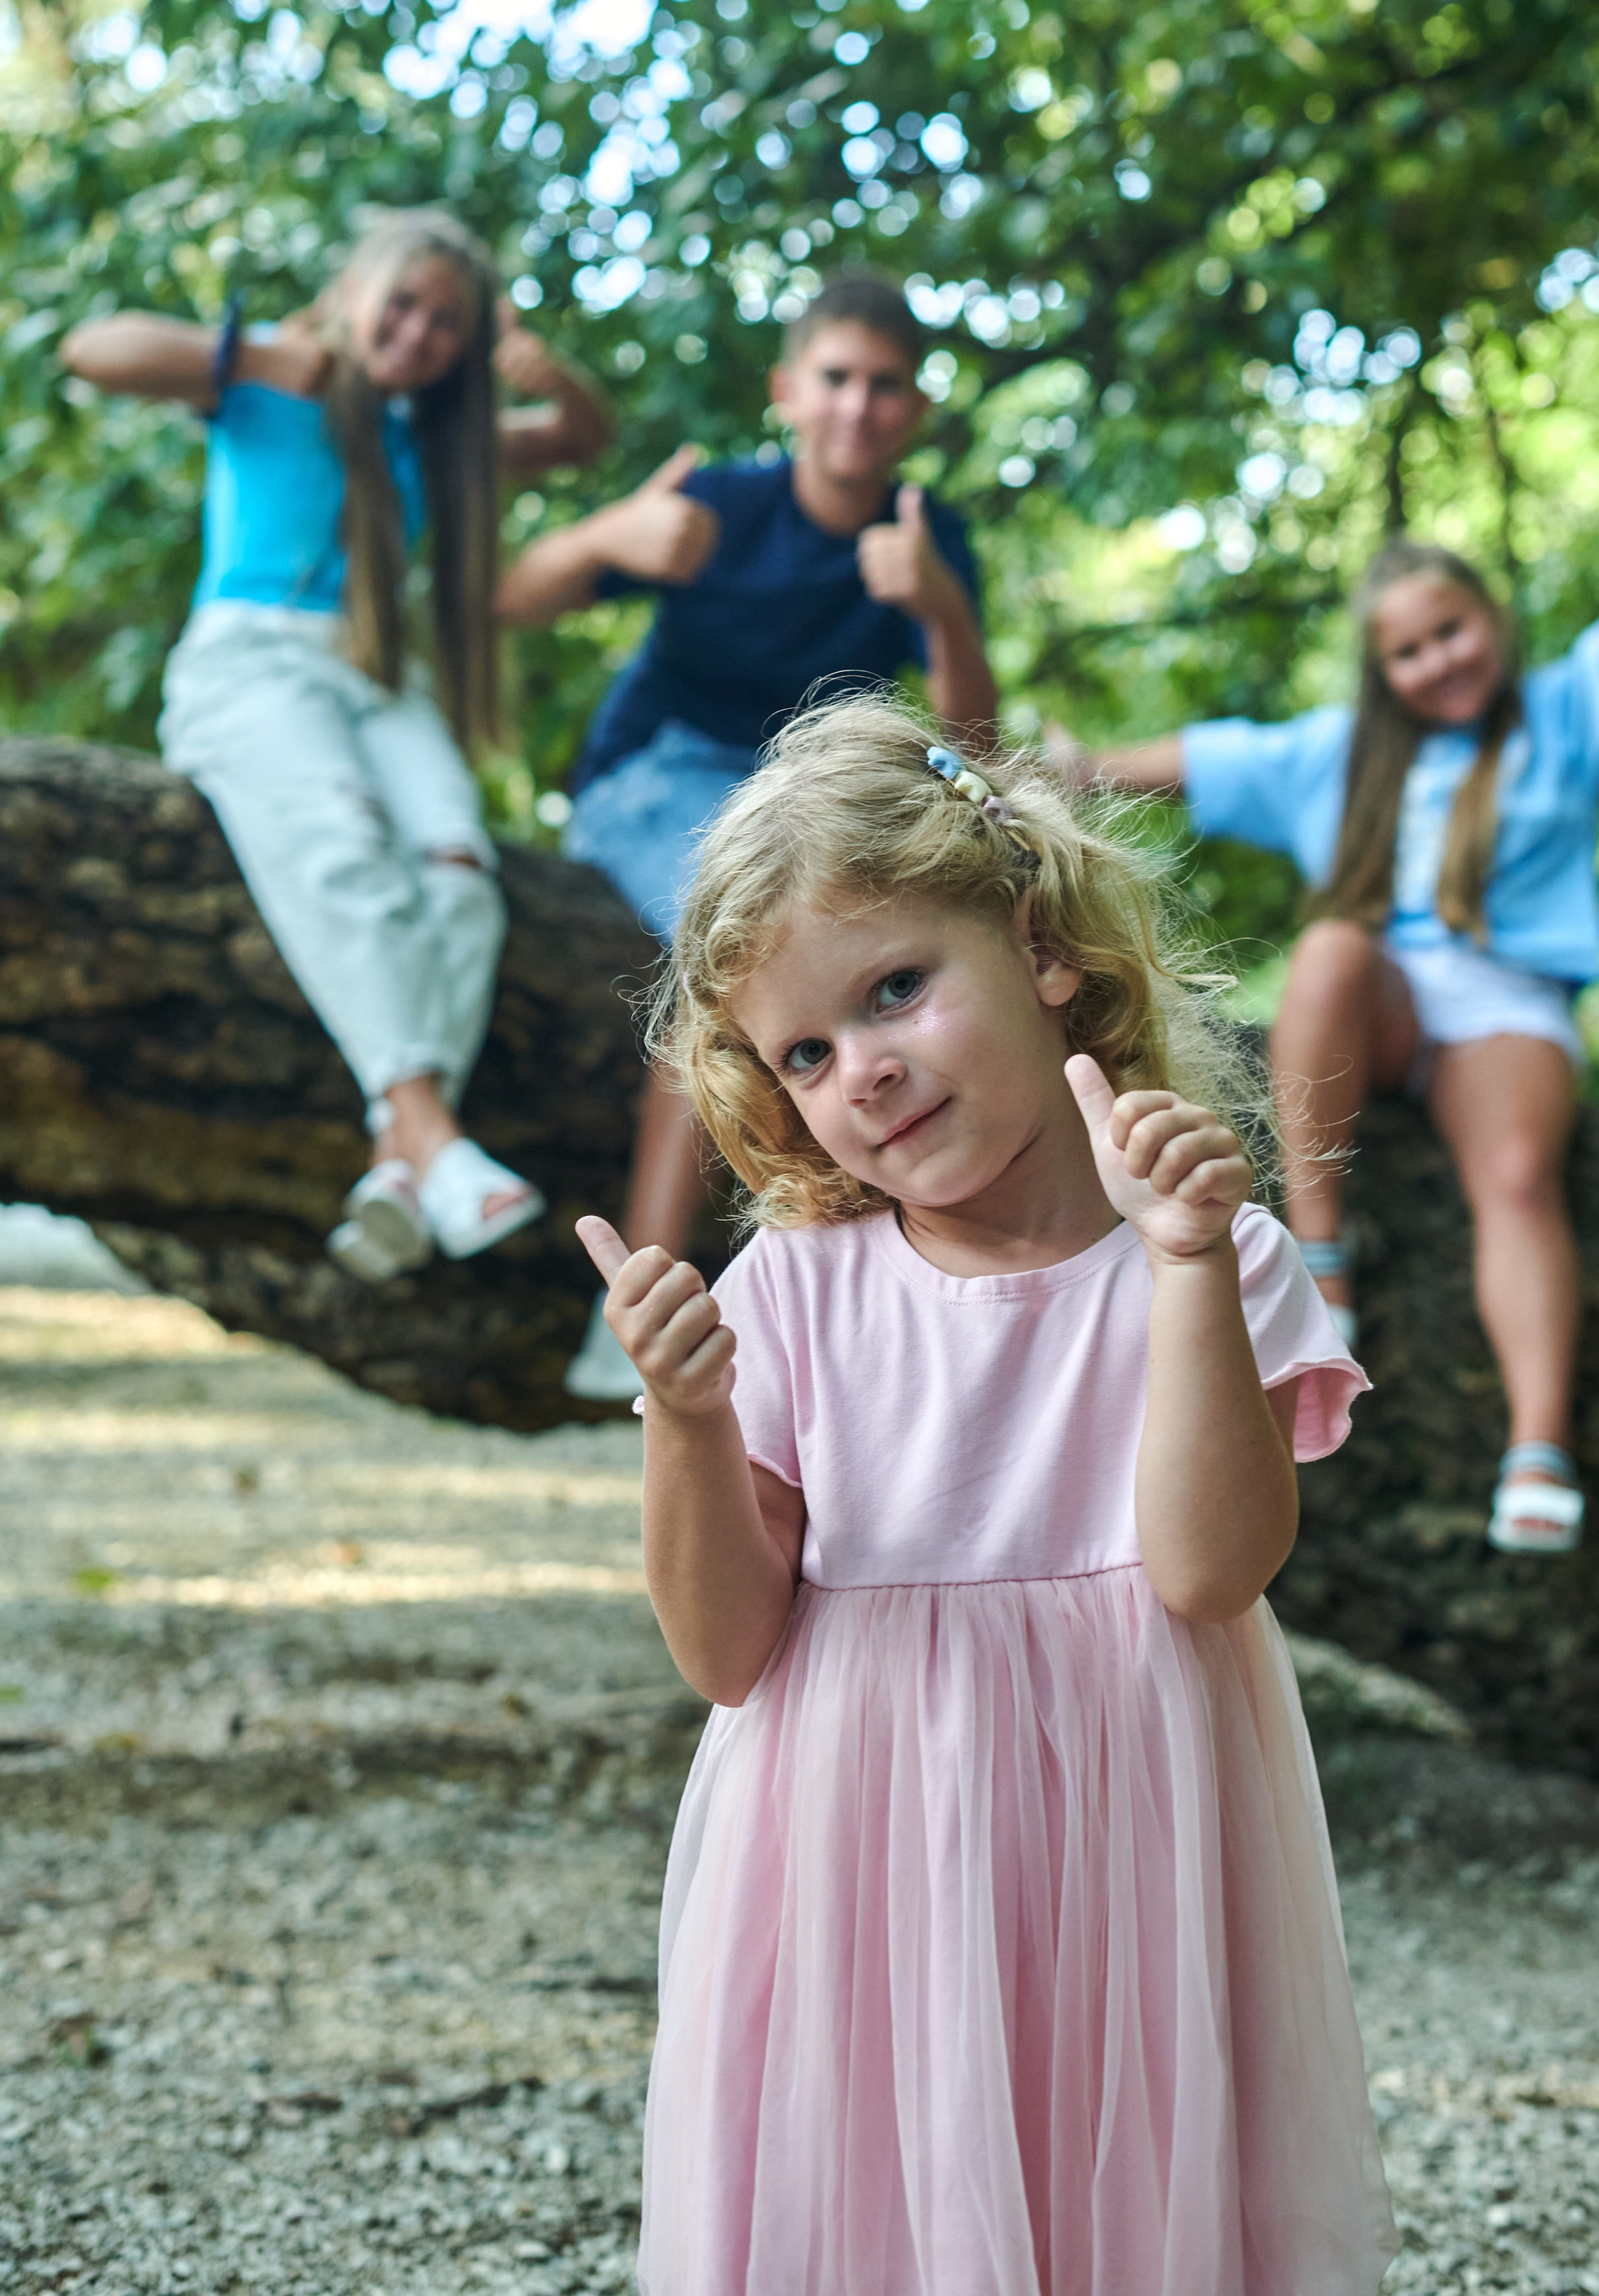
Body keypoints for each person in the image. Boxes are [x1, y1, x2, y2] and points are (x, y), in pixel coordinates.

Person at [575, 697, 1395, 2296]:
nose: (861, 1071)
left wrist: (1177, 1269)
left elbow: (1210, 1572)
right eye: (803, 1051)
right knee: (877, 2200)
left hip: (1129, 1835)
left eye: (895, 989)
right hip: (851, 1852)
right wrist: (684, 1419)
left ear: (1037, 946)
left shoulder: (1209, 1251)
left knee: (1125, 2190)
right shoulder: (797, 1294)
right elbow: (728, 1653)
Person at [1054, 458, 1599, 1554]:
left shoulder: (1560, 717)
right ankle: (1322, 1251)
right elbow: (1196, 759)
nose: (1437, 661)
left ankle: (1537, 1444)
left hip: (1507, 999)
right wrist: (1077, 769)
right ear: (1383, 671)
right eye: (1409, 650)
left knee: (1518, 1179)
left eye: (1453, 631)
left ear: (1493, 623)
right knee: (1329, 945)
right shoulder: (1341, 754)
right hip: (1388, 1001)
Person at [60, 207, 613, 1282]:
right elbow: (94, 351)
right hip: (253, 659)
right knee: (344, 843)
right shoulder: (269, 381)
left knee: (460, 868)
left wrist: (548, 365)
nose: (416, 335)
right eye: (401, 304)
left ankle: (399, 1162)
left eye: (446, 324)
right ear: (355, 293)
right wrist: (262, 351)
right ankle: (434, 1132)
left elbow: (582, 437)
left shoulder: (437, 438)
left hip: (370, 673)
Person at [496, 271, 996, 1399]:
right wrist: (606, 532)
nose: (857, 407)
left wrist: (938, 606)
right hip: (657, 772)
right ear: (787, 392)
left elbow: (975, 742)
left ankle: (879, 1304)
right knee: (744, 960)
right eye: (835, 379)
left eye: (885, 386)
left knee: (869, 965)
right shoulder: (721, 504)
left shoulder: (926, 533)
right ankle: (638, 1299)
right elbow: (508, 598)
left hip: (796, 801)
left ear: (914, 409)